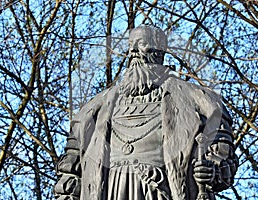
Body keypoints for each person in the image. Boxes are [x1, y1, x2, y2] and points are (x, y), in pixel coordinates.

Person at [54, 25, 238, 200]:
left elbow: (222, 151)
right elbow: (72, 163)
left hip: (161, 189)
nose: (133, 51)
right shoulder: (96, 107)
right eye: (130, 45)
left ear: (159, 51)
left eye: (140, 43)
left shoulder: (198, 99)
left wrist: (213, 169)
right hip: (110, 189)